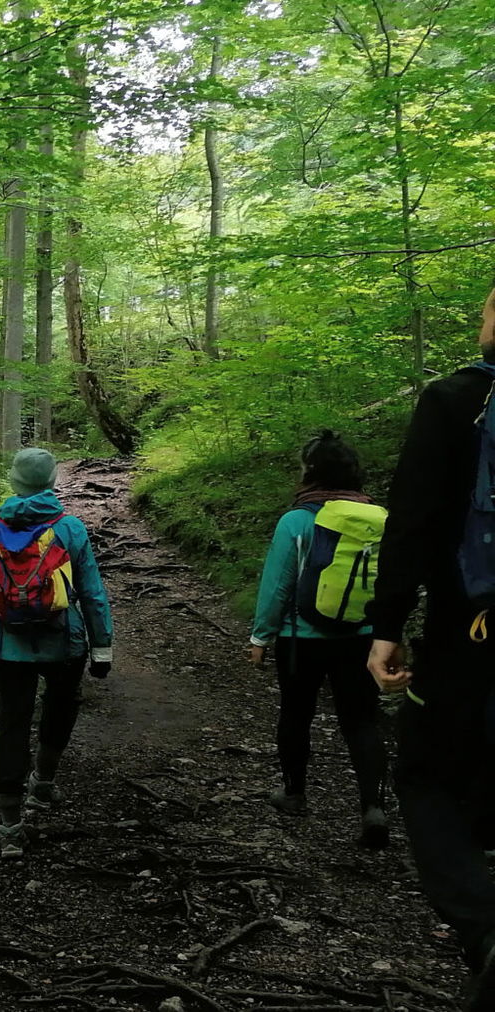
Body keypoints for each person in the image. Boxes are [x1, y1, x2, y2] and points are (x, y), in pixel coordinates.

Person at [365, 287, 495, 1008]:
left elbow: (411, 521)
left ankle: (483, 928)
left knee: (426, 776)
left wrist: (386, 626)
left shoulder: (454, 401)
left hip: (466, 636)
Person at [0, 448, 113, 859]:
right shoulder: (70, 529)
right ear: (52, 481)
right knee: (60, 710)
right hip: (65, 644)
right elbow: (92, 593)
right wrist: (102, 647)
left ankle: (9, 825)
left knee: (11, 727)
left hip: (5, 648)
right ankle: (42, 784)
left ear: (14, 481)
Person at [246, 431, 389, 846]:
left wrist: (260, 637)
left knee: (296, 713)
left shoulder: (296, 521)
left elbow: (277, 585)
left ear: (310, 471)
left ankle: (294, 794)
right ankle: (373, 807)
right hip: (361, 636)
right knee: (361, 720)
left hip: (300, 638)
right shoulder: (377, 517)